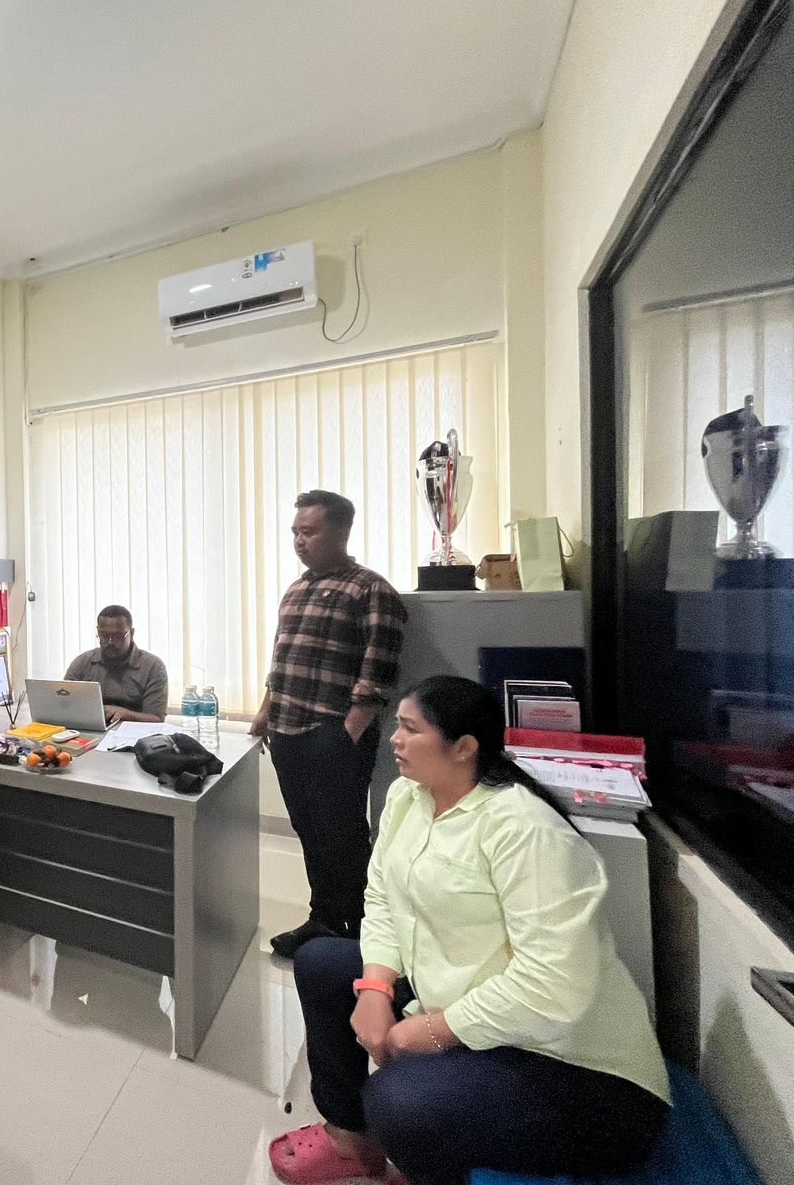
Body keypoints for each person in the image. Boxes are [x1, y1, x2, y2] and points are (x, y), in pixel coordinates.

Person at [268, 677, 670, 1185]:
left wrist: (432, 1031)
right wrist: (374, 988)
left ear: (464, 748)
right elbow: (383, 899)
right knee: (322, 962)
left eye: (411, 729)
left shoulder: (524, 828)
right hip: (461, 996)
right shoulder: (409, 797)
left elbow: (554, 986)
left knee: (399, 1099)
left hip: (569, 1061)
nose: (394, 739)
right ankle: (351, 1141)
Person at [250, 490, 406, 952]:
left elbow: (378, 670)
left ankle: (363, 931)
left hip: (332, 734)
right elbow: (281, 661)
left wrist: (347, 733)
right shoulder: (296, 589)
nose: (299, 540)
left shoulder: (371, 589)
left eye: (309, 531)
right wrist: (265, 710)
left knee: (343, 834)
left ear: (341, 531)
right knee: (310, 830)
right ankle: (324, 918)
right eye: (295, 532)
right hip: (287, 731)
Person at [62, 604, 169, 724]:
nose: (110, 642)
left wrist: (125, 714)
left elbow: (157, 718)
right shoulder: (82, 663)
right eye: (104, 636)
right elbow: (64, 705)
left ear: (131, 633)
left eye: (117, 636)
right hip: (89, 731)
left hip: (134, 733)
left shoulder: (153, 667)